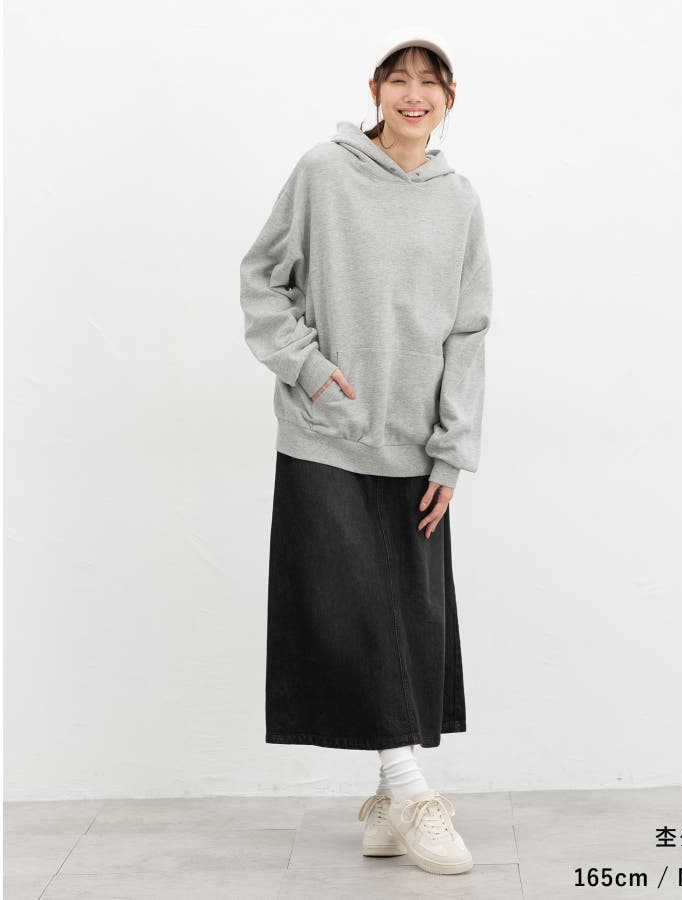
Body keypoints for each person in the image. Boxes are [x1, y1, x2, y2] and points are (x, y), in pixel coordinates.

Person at [239, 27, 492, 877]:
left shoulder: (459, 201)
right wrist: (309, 369)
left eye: (431, 81)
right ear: (376, 90)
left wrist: (452, 452)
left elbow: (468, 331)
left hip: (415, 446)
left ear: (448, 101)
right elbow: (262, 277)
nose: (414, 93)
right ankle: (412, 791)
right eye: (399, 78)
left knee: (409, 622)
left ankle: (387, 804)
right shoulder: (324, 171)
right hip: (327, 434)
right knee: (353, 614)